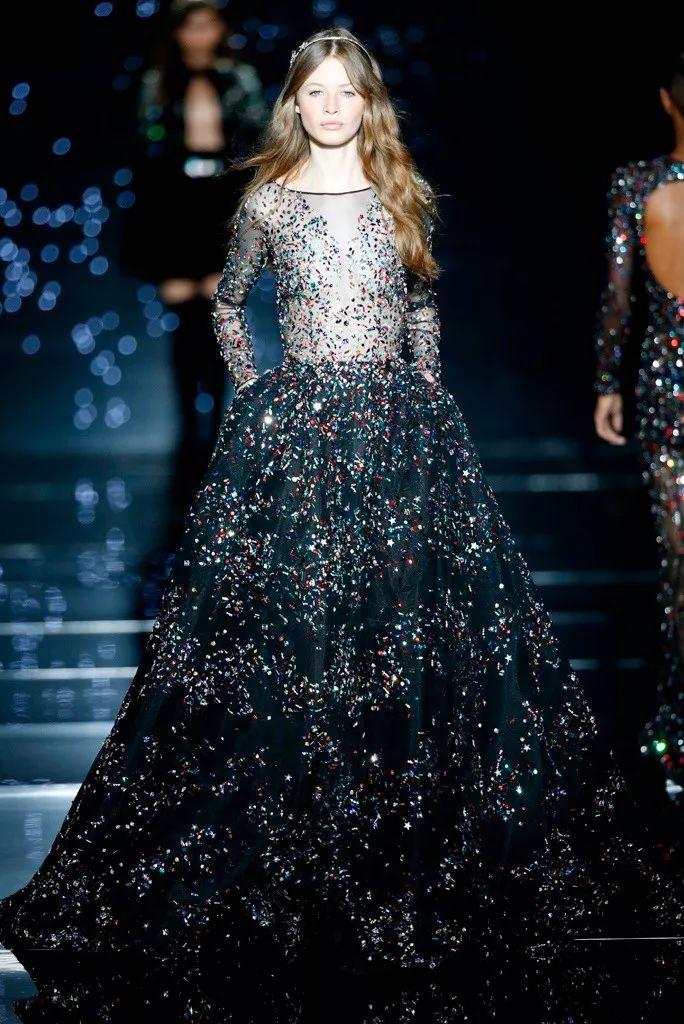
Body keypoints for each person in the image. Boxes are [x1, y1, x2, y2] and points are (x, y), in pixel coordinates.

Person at [0, 29, 681, 989]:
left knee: (405, 631)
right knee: (301, 635)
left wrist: (428, 397)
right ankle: (308, 845)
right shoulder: (269, 201)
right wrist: (257, 398)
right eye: (314, 92)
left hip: (399, 431)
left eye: (345, 92)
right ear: (293, 103)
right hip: (303, 430)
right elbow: (230, 304)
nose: (329, 107)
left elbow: (422, 309)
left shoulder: (401, 194)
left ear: (369, 103)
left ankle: (397, 832)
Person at [121, 0, 269, 528]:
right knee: (184, 315)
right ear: (178, 32)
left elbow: (254, 142)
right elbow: (144, 149)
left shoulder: (239, 79)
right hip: (172, 205)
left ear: (221, 29)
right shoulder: (158, 81)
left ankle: (218, 428)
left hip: (220, 202)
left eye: (208, 24)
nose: (200, 35)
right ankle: (190, 428)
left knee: (220, 312)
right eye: (191, 25)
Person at [593, 50, 684, 803]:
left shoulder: (636, 184)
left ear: (666, 101)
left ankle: (675, 726)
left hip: (663, 387)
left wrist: (607, 383)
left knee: (679, 561)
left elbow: (620, 298)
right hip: (663, 391)